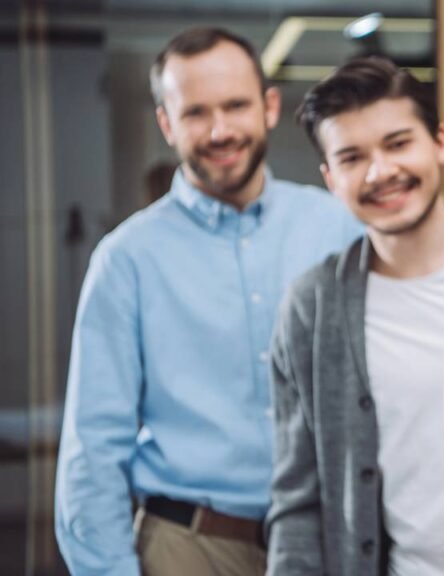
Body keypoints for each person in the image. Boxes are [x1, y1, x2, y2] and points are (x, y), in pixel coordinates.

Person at [53, 27, 363, 576]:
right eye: (196, 113)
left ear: (269, 107)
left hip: (329, 542)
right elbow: (93, 450)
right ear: (167, 124)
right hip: (190, 548)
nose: (221, 130)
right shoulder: (125, 259)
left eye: (236, 105)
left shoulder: (336, 227)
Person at [266, 56, 444, 576]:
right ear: (329, 177)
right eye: (351, 157)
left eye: (397, 144)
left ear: (439, 142)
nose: (380, 172)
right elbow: (297, 498)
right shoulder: (312, 307)